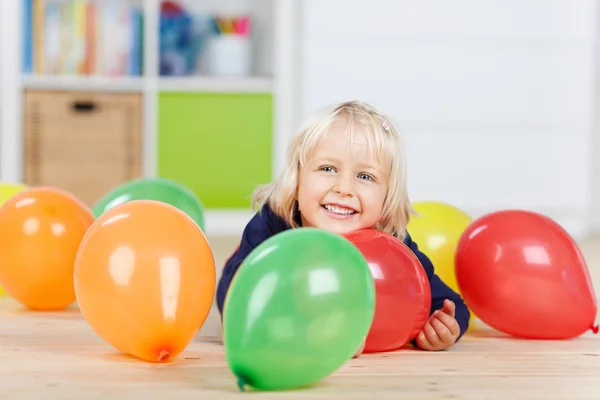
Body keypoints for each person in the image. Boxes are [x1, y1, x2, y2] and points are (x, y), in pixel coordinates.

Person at [216, 100, 471, 355]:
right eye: (328, 169)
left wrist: (445, 328)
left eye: (365, 177)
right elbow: (238, 303)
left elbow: (451, 305)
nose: (344, 188)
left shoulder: (393, 244)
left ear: (386, 198)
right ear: (297, 180)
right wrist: (306, 334)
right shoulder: (273, 223)